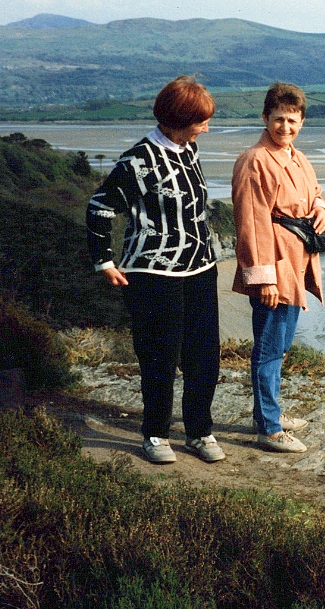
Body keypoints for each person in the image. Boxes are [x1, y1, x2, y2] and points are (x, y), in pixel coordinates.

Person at [86, 75, 225, 464]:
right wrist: (105, 261)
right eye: (201, 121)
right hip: (152, 274)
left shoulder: (189, 148)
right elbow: (99, 207)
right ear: (178, 120)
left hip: (200, 269)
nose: (207, 128)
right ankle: (156, 435)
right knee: (160, 358)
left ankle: (200, 432)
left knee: (204, 357)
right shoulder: (137, 160)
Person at [232, 82, 325, 453]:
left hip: (297, 260)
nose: (285, 127)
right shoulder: (255, 160)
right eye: (278, 120)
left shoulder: (297, 157)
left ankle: (269, 412)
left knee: (280, 344)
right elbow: (250, 223)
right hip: (274, 263)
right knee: (269, 347)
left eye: (292, 120)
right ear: (265, 117)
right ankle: (270, 428)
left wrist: (322, 209)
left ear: (302, 121)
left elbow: (315, 195)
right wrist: (262, 278)